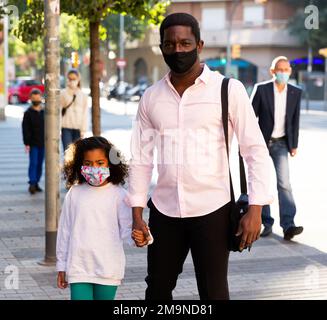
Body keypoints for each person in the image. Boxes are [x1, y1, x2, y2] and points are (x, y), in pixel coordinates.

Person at [128, 13, 272, 300]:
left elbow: (254, 150)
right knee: (156, 289)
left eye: (185, 43)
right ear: (161, 47)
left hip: (213, 210)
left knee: (213, 292)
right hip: (165, 210)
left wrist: (256, 209)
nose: (178, 50)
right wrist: (136, 213)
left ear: (199, 44)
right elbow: (141, 158)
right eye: (170, 45)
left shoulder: (228, 90)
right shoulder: (151, 97)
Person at [56, 136, 138, 300]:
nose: (94, 168)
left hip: (108, 269)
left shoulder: (120, 195)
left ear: (110, 163)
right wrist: (61, 265)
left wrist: (141, 237)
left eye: (100, 163)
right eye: (88, 164)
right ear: (80, 165)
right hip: (78, 268)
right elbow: (64, 231)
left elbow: (127, 231)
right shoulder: (74, 193)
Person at [251, 56, 303, 241]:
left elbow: (295, 120)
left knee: (284, 184)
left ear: (290, 71)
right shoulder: (262, 89)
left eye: (286, 70)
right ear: (273, 71)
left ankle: (288, 225)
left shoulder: (295, 92)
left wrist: (294, 144)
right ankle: (267, 223)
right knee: (262, 184)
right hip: (262, 144)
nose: (283, 73)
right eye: (279, 70)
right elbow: (249, 118)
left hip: (281, 143)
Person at [22, 89, 45, 195]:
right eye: (34, 98)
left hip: (43, 143)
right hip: (33, 144)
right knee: (33, 163)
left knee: (40, 164)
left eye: (38, 98)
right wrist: (27, 143)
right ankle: (32, 183)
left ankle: (36, 183)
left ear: (41, 98)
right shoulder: (27, 113)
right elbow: (25, 129)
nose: (36, 100)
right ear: (30, 99)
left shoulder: (44, 112)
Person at [60, 69, 88, 151]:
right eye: (70, 78)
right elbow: (59, 111)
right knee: (67, 152)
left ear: (78, 79)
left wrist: (83, 130)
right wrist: (58, 129)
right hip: (66, 127)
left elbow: (85, 113)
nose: (72, 81)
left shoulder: (83, 95)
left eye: (74, 79)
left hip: (78, 128)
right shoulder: (63, 93)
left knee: (77, 154)